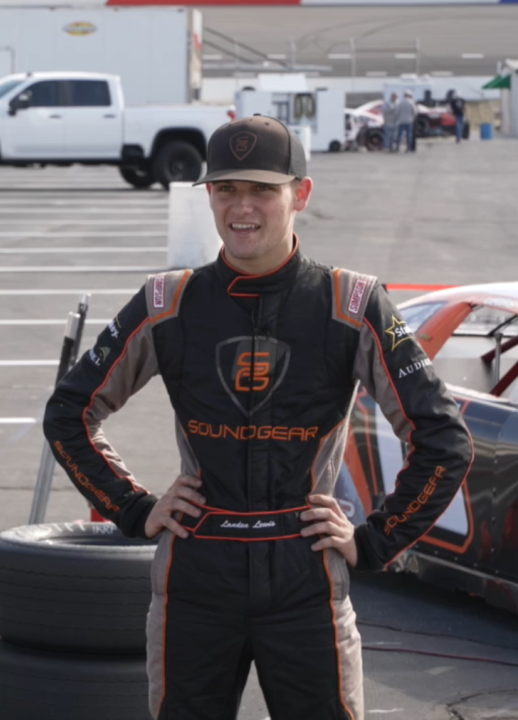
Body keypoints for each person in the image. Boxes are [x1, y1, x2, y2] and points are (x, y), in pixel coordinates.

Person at [44, 115, 472, 720]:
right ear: (210, 196)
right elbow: (69, 412)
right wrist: (135, 508)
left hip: (307, 580)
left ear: (300, 193)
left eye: (262, 190)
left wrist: (375, 542)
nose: (242, 208)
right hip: (195, 577)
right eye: (226, 189)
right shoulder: (167, 302)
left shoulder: (352, 302)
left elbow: (443, 438)